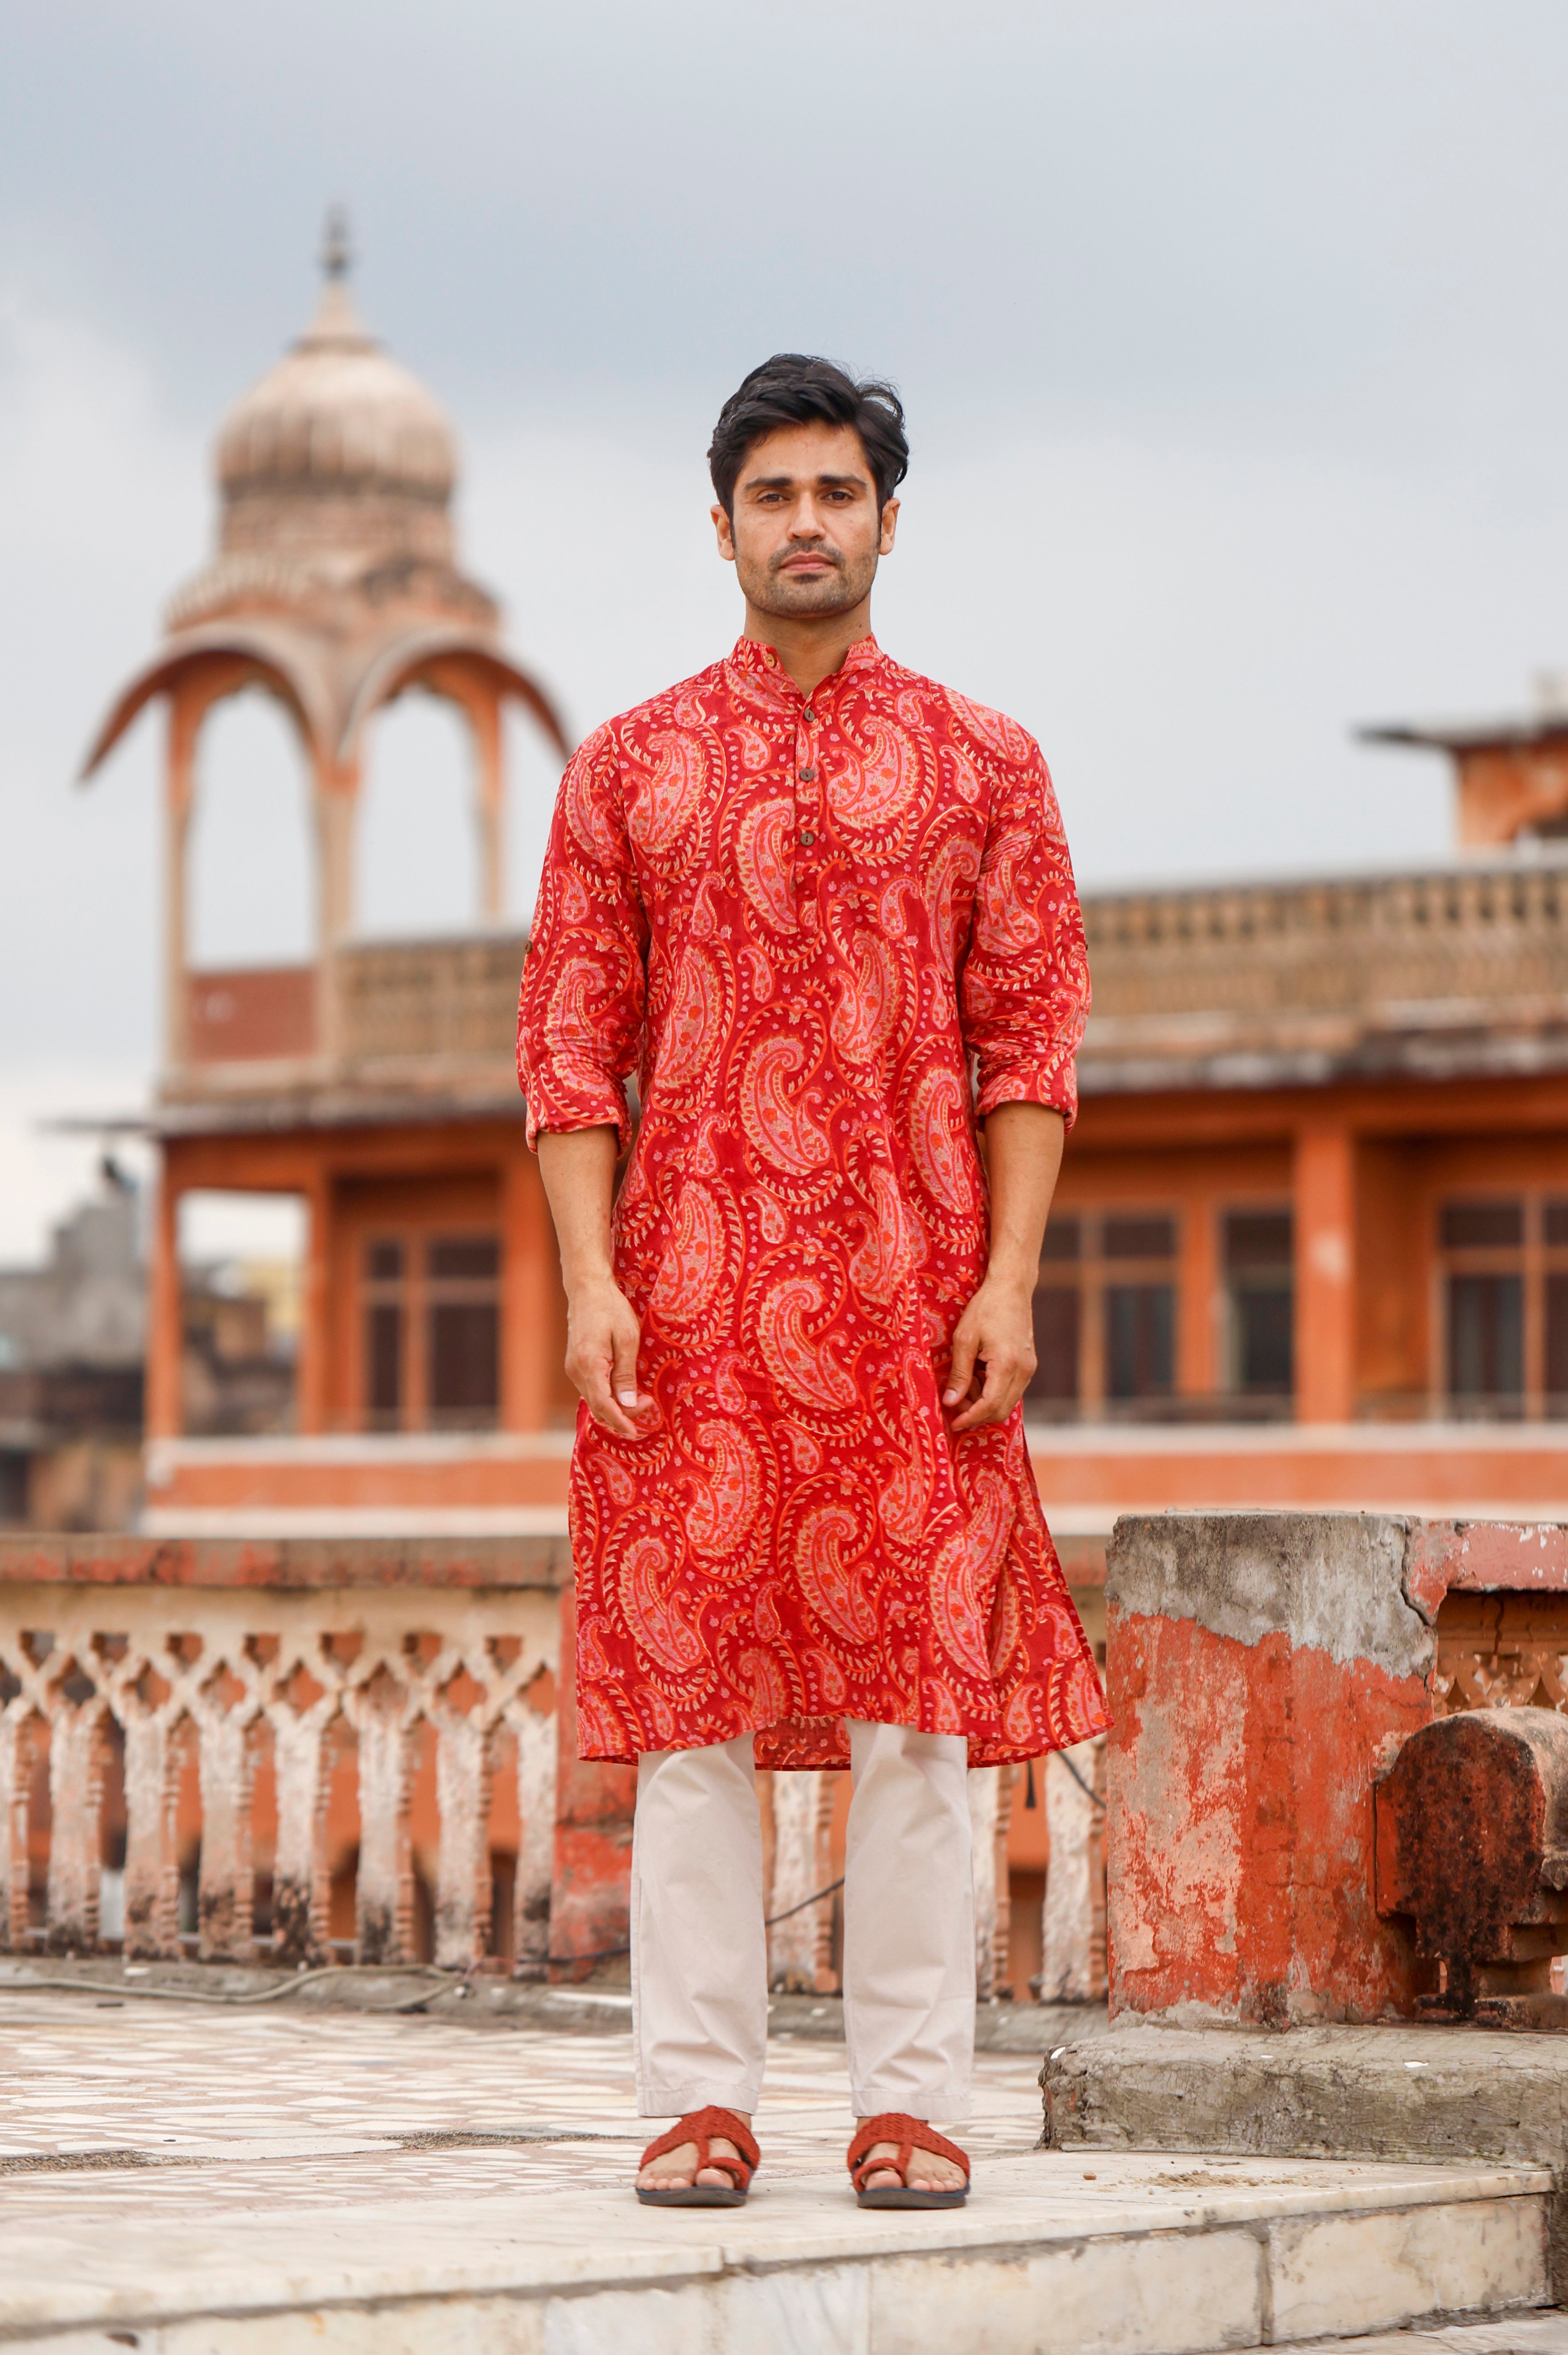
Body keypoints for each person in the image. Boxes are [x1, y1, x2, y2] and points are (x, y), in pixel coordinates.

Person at [516, 353, 1106, 2211]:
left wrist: (1006, 1280)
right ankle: (695, 2104)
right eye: (772, 496)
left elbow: (1032, 1043)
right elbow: (565, 1044)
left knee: (918, 1721)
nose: (805, 524)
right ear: (721, 528)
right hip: (683, 1309)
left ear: (885, 522)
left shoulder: (983, 764)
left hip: (918, 1307)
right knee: (690, 1726)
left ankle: (910, 2101)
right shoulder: (628, 765)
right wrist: (587, 1282)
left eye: (835, 493)